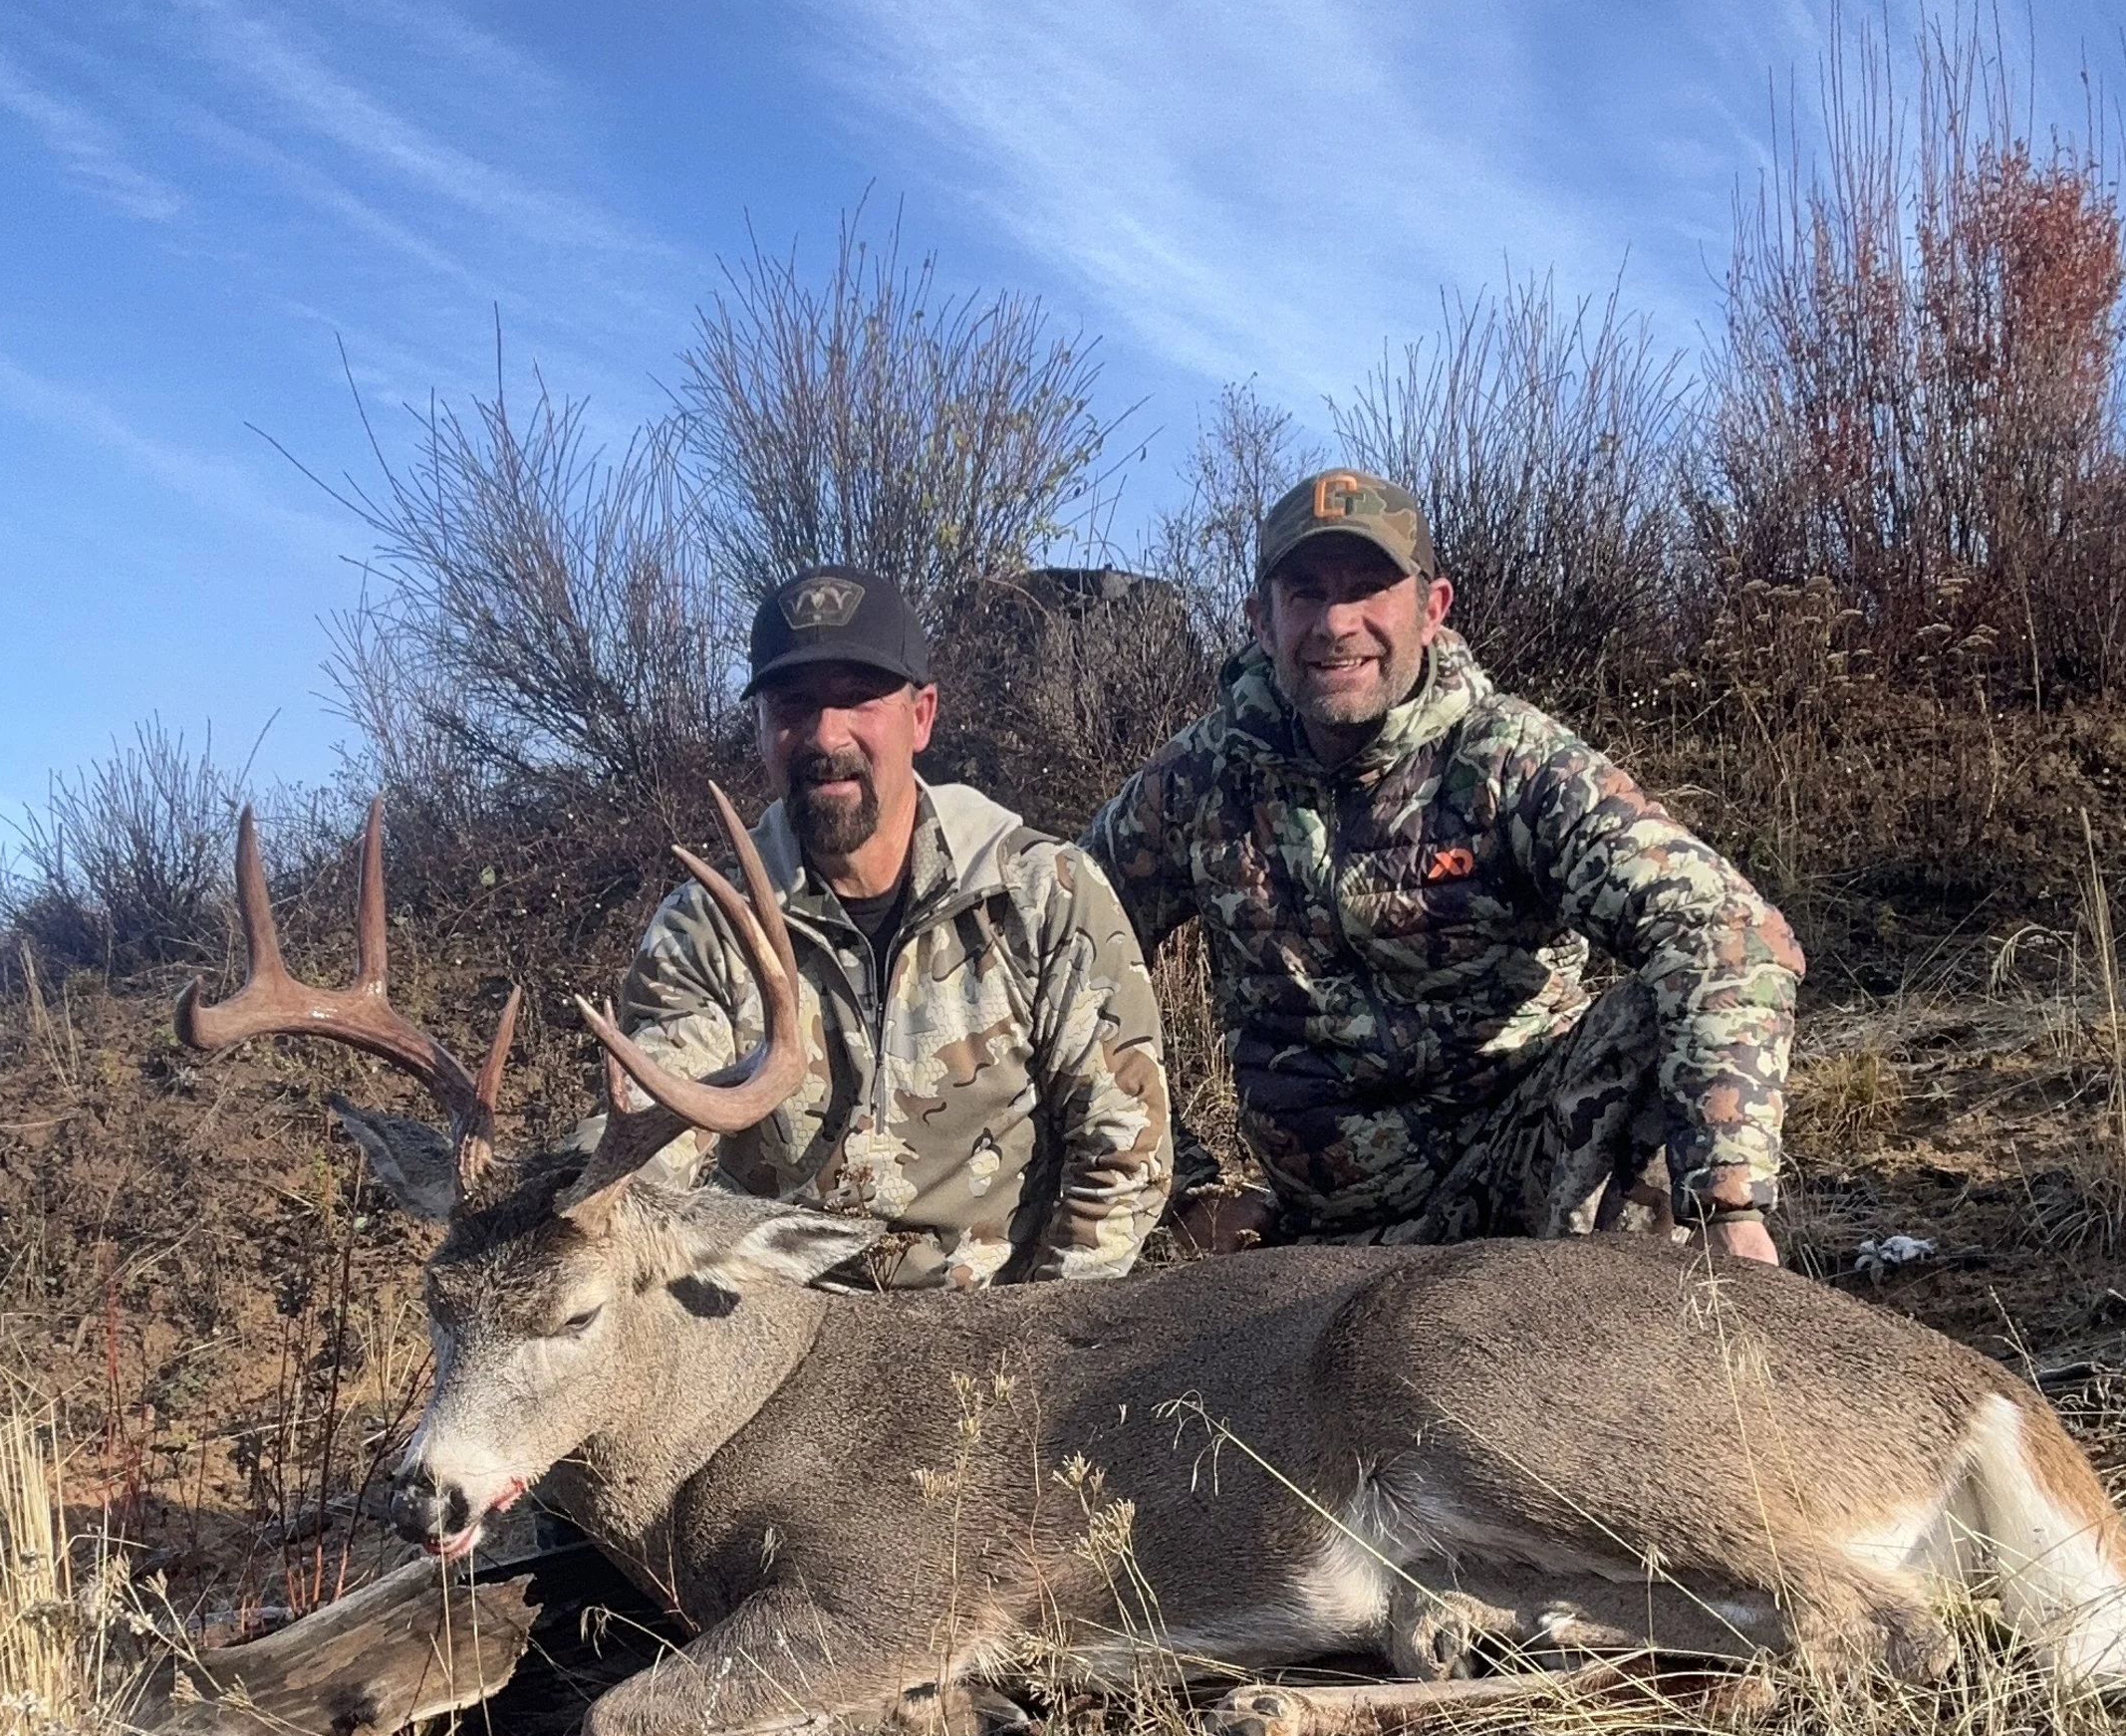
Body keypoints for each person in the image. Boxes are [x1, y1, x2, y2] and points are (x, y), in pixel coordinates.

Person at [1083, 467, 1801, 1265]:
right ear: (1260, 620)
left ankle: (1659, 1319)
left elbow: (1728, 926)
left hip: (1524, 1188)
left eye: (1368, 588)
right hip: (1305, 1233)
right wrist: (1184, 1187)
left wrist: (1728, 1202)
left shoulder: (1510, 761)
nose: (1336, 623)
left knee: (1648, 1023)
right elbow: (1060, 942)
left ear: (1432, 610)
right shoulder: (1201, 777)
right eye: (1305, 594)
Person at [615, 564, 1171, 1286]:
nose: (825, 735)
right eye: (794, 704)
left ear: (922, 715)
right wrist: (576, 1184)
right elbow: (651, 1146)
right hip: (785, 1340)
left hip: (999, 1335)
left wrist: (1046, 1348)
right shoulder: (706, 929)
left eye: (857, 699)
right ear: (759, 727)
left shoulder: (1041, 891)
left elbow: (1126, 1149)